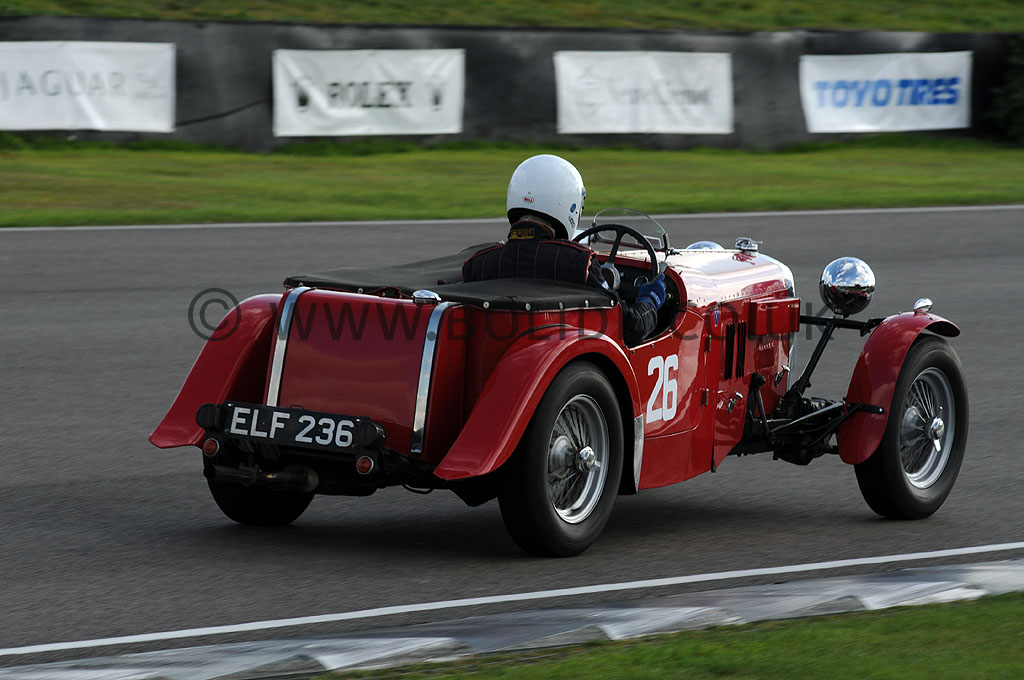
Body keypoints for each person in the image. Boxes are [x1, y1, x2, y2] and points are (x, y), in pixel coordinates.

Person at [462, 154, 666, 344]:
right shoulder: (579, 264)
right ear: (568, 204)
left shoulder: (477, 265)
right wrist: (649, 300)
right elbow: (631, 327)